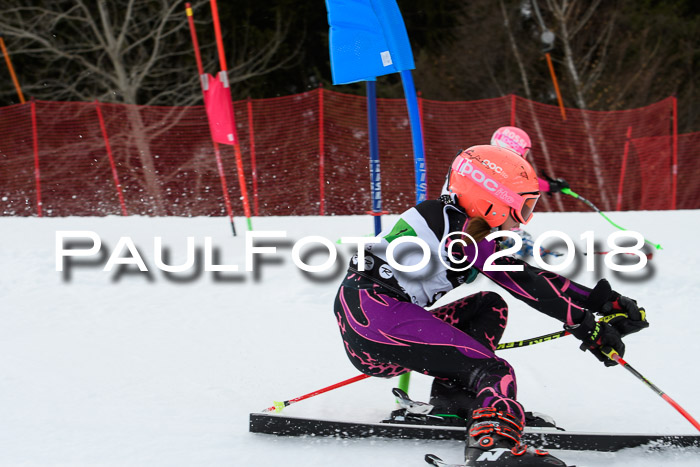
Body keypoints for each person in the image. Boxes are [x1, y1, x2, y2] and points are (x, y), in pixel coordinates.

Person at [333, 145, 649, 466]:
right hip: (376, 316)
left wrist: (606, 303)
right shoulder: (455, 227)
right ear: (492, 202)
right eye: (523, 208)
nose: (523, 221)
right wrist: (587, 325)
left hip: (373, 320)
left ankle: (455, 402)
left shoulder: (459, 223)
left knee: (488, 306)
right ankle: (491, 447)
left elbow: (529, 275)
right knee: (494, 370)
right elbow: (523, 281)